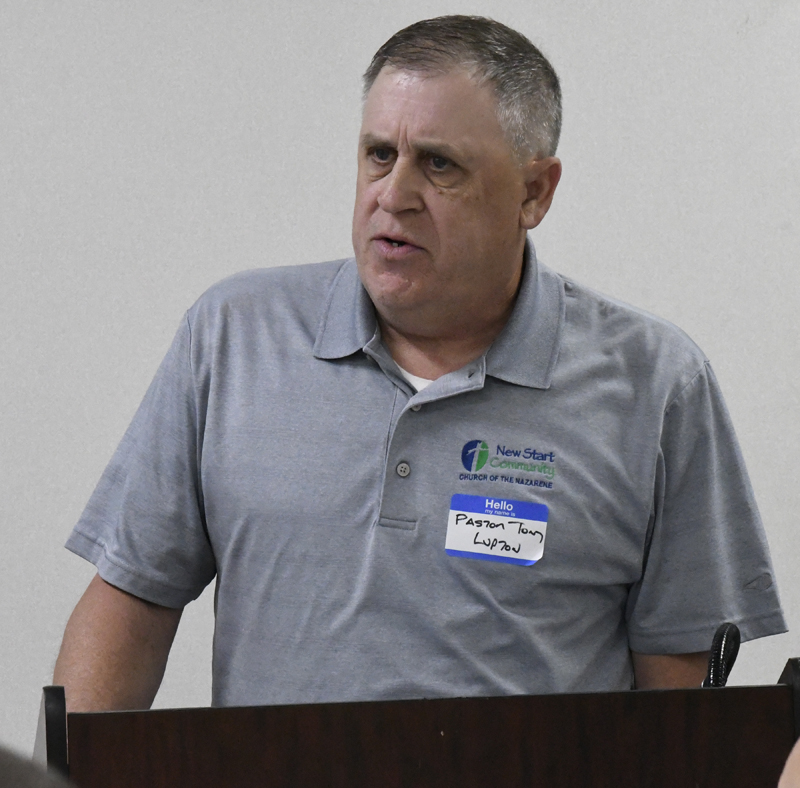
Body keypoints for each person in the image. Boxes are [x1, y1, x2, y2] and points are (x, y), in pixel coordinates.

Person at [54, 15, 786, 713]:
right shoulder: (234, 337)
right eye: (380, 155)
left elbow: (678, 700)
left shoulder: (655, 384)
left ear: (534, 191)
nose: (394, 196)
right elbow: (132, 601)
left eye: (439, 165)